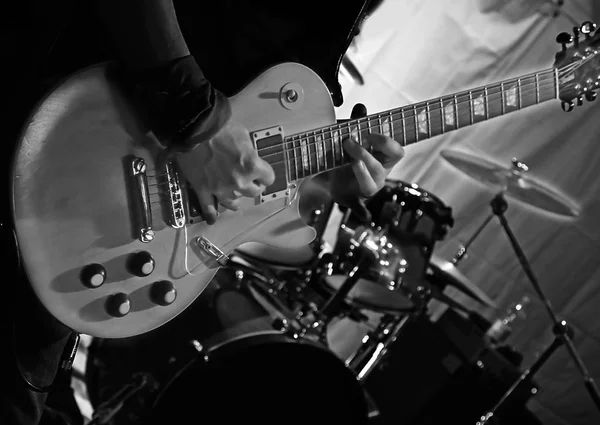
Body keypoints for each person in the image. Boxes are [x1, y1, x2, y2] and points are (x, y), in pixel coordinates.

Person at [1, 0, 403, 424]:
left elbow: (261, 70)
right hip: (67, 113)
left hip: (111, 197)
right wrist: (197, 120)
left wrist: (320, 176)